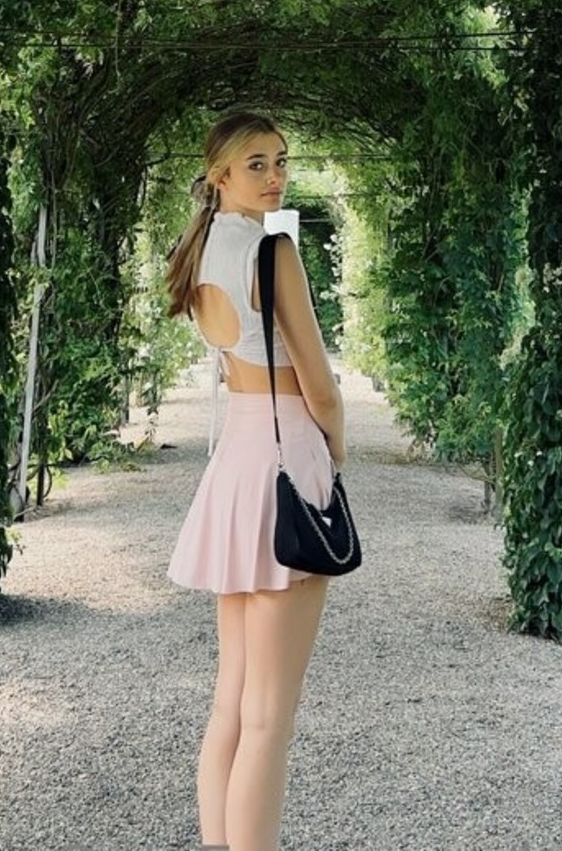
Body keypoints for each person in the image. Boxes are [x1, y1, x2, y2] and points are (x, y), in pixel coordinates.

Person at [165, 107, 348, 851]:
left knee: (233, 705)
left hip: (238, 459)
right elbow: (320, 386)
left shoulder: (201, 249)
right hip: (287, 453)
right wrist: (336, 446)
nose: (275, 176)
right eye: (257, 164)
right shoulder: (273, 252)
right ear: (220, 175)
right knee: (270, 717)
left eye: (280, 161)